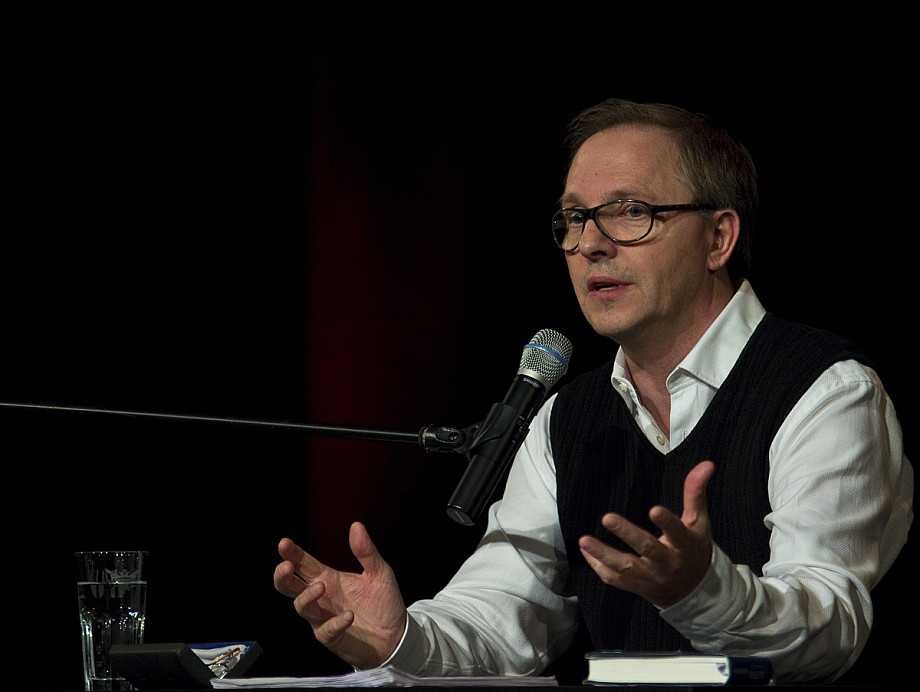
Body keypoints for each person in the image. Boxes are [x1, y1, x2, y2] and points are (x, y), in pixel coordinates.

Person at [273, 99, 913, 683]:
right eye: (575, 218)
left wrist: (703, 592)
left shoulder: (824, 389)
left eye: (631, 212)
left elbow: (830, 627)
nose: (589, 245)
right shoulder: (566, 417)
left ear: (719, 237)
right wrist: (399, 639)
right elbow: (503, 615)